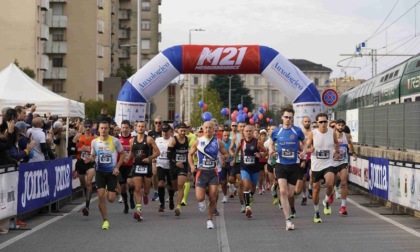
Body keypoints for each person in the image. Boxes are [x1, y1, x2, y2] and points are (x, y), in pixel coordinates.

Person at [269, 108, 305, 230]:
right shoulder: (277, 131)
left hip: (294, 165)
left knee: (290, 193)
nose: (288, 119)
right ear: (282, 118)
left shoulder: (297, 131)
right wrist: (271, 150)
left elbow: (305, 143)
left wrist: (303, 152)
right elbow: (270, 142)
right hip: (280, 164)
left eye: (290, 117)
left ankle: (288, 208)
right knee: (283, 191)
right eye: (286, 117)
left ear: (292, 119)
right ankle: (287, 220)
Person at [188, 121, 229, 229]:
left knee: (213, 196)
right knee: (199, 197)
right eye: (206, 128)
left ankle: (209, 220)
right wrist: (192, 165)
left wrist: (224, 157)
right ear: (203, 129)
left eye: (210, 128)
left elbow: (226, 153)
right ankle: (201, 201)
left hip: (213, 172)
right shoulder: (198, 141)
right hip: (201, 172)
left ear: (213, 129)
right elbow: (190, 154)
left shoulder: (218, 142)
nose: (208, 130)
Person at [89, 120, 125, 230]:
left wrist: (117, 167)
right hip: (100, 172)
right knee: (100, 195)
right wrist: (89, 159)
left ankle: (117, 189)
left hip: (111, 173)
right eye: (102, 128)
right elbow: (93, 156)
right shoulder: (94, 142)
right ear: (98, 129)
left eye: (106, 128)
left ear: (109, 129)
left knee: (111, 199)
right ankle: (105, 221)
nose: (104, 130)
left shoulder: (115, 141)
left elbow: (122, 154)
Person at [306, 113, 341, 224]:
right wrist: (310, 148)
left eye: (325, 121)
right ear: (317, 123)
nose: (323, 124)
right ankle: (316, 212)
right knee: (316, 189)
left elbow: (336, 143)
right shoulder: (313, 133)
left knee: (330, 183)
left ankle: (326, 200)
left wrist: (337, 152)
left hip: (328, 163)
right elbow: (307, 145)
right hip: (316, 165)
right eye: (321, 122)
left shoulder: (332, 132)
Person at [127, 121, 160, 221]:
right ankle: (138, 210)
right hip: (137, 165)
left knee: (146, 190)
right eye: (139, 126)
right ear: (136, 128)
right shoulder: (132, 140)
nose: (140, 128)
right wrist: (127, 159)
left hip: (147, 167)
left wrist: (149, 158)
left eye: (142, 126)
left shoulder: (149, 139)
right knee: (137, 188)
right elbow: (132, 152)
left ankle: (145, 195)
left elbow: (158, 152)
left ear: (145, 128)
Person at [233, 124, 266, 218]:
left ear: (253, 132)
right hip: (244, 167)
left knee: (252, 187)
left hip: (255, 168)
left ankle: (248, 197)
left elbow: (266, 151)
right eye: (246, 131)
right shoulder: (242, 142)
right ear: (243, 132)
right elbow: (237, 151)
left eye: (250, 131)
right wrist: (234, 160)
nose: (248, 133)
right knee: (246, 185)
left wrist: (261, 155)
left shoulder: (257, 142)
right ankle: (247, 207)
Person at [333, 119, 357, 215]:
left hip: (343, 161)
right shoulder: (331, 135)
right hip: (332, 162)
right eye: (339, 125)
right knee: (331, 183)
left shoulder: (346, 136)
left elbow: (350, 143)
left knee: (344, 182)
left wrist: (353, 153)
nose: (340, 127)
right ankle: (330, 195)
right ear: (336, 126)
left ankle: (343, 206)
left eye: (342, 125)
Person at [73, 119, 96, 216]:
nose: (87, 128)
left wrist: (92, 157)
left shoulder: (96, 138)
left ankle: (87, 206)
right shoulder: (78, 136)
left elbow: (99, 150)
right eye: (86, 126)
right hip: (80, 162)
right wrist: (79, 149)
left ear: (92, 127)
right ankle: (88, 193)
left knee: (89, 182)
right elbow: (70, 148)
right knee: (83, 184)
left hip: (90, 163)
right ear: (83, 127)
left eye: (89, 127)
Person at [167, 123, 190, 216]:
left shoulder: (187, 139)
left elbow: (188, 152)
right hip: (174, 165)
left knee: (181, 185)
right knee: (174, 186)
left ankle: (178, 207)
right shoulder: (173, 140)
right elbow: (168, 155)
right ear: (177, 130)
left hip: (183, 166)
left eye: (184, 130)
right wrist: (176, 162)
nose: (183, 132)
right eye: (181, 130)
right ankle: (171, 197)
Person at [155, 123, 175, 212]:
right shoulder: (157, 140)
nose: (164, 133)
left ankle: (171, 198)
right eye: (163, 131)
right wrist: (153, 159)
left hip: (170, 164)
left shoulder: (173, 140)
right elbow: (154, 150)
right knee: (161, 183)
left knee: (171, 185)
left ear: (170, 131)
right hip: (160, 164)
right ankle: (162, 203)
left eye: (166, 131)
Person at [118, 120, 135, 214]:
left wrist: (128, 158)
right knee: (123, 187)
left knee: (130, 183)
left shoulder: (133, 139)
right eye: (123, 127)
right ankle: (126, 205)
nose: (125, 129)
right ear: (121, 128)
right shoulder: (117, 139)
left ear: (130, 129)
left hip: (130, 165)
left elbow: (134, 152)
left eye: (126, 128)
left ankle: (132, 198)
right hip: (120, 165)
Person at [229, 121, 246, 213]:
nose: (242, 128)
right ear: (238, 128)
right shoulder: (236, 137)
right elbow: (231, 148)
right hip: (238, 162)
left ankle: (246, 198)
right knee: (240, 182)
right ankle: (243, 204)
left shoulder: (251, 137)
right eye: (241, 127)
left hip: (248, 163)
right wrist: (232, 154)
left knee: (248, 185)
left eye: (244, 126)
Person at [148, 116, 163, 202]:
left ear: (162, 123)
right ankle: (156, 191)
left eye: (159, 123)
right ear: (154, 124)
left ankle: (164, 192)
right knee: (154, 173)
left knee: (163, 178)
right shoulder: (150, 134)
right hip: (154, 157)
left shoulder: (164, 132)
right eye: (156, 122)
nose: (158, 124)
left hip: (163, 157)